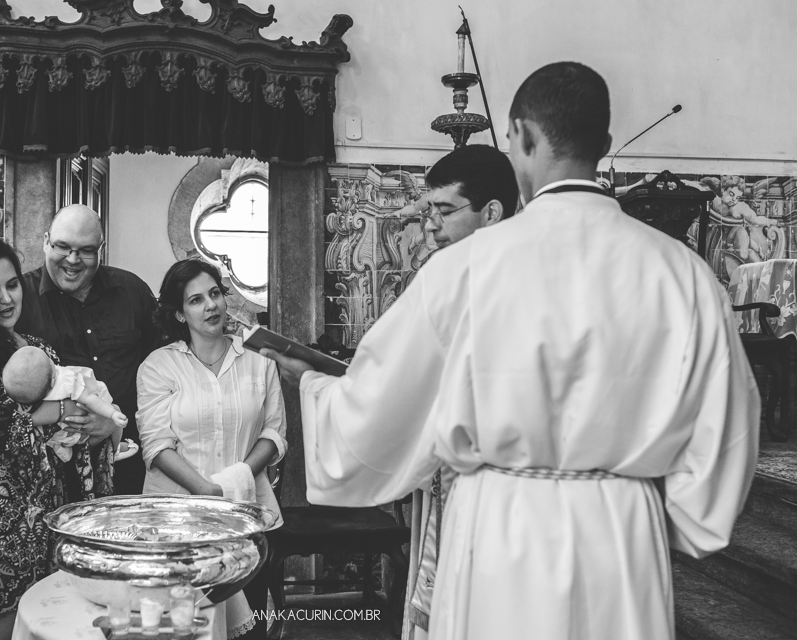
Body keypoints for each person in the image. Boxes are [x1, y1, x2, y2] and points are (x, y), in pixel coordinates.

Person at [264, 61, 759, 640]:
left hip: (501, 530)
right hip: (623, 537)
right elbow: (728, 428)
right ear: (601, 144)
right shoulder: (683, 273)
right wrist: (659, 517)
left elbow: (376, 406)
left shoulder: (466, 266)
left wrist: (315, 385)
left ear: (520, 134)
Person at [0, 238, 115, 640]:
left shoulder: (38, 346)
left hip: (46, 504)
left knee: (49, 626)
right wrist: (63, 411)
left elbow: (75, 409)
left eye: (11, 285)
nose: (5, 298)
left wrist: (93, 427)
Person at [402, 144, 520, 640]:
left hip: (503, 485)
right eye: (430, 211)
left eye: (446, 211)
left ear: (491, 213)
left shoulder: (517, 277)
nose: (431, 226)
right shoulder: (445, 273)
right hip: (452, 473)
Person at [137, 259, 286, 640]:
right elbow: (156, 444)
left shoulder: (258, 360)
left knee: (247, 627)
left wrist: (236, 480)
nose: (211, 306)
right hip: (176, 520)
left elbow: (274, 432)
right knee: (182, 627)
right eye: (196, 300)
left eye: (216, 294)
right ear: (178, 313)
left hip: (247, 515)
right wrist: (205, 492)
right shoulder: (159, 366)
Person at [16, 203, 159, 495]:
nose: (73, 259)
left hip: (130, 465)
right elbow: (8, 394)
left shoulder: (133, 291)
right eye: (62, 246)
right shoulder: (21, 300)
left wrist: (114, 425)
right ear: (45, 241)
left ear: (101, 249)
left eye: (86, 250)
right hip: (53, 474)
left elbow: (163, 374)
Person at [2, 346, 137, 463]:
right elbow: (90, 399)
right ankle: (115, 448)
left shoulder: (28, 390)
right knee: (115, 416)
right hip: (81, 426)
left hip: (58, 436)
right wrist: (112, 413)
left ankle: (62, 449)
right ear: (53, 378)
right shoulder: (66, 382)